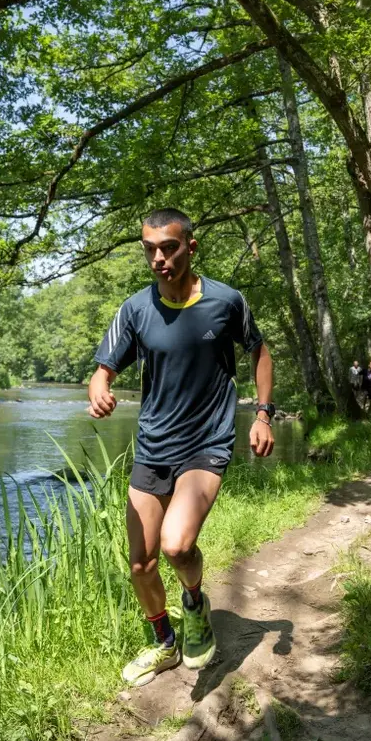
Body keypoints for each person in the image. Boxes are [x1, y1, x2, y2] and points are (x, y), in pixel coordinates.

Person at [87, 208, 276, 688]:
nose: (158, 258)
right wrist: (99, 384)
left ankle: (194, 602)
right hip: (154, 445)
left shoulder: (225, 301)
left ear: (190, 247)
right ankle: (165, 644)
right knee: (140, 564)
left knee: (177, 545)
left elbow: (258, 350)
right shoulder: (135, 309)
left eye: (168, 247)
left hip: (206, 442)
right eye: (149, 249)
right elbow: (105, 366)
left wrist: (262, 413)